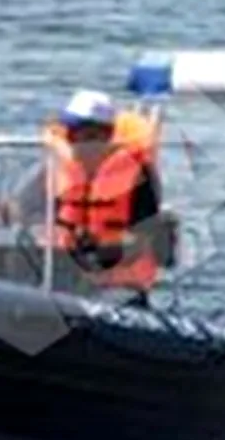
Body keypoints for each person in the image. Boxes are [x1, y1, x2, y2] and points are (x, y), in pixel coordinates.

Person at [39, 89, 170, 298]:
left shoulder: (136, 175)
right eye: (71, 132)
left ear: (105, 135)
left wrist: (99, 252)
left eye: (81, 133)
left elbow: (145, 237)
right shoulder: (60, 168)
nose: (73, 140)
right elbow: (21, 207)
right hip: (63, 277)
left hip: (120, 284)